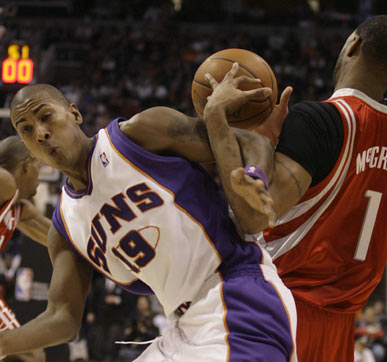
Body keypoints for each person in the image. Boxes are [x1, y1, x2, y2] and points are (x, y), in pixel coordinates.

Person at [2, 83, 297, 362]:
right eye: (27, 129)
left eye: (46, 117)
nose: (40, 133)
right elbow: (62, 317)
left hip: (240, 295)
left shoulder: (138, 134)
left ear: (75, 114)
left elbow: (249, 140)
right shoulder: (64, 227)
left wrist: (254, 175)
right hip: (183, 326)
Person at [202, 15, 387, 361]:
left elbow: (254, 216)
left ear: (354, 45)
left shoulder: (320, 121)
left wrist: (220, 123)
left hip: (281, 310)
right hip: (340, 324)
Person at [0, 136, 50, 361]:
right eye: (40, 167)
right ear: (26, 166)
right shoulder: (5, 182)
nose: (40, 179)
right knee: (30, 354)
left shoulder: (19, 210)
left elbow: (64, 240)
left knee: (31, 353)